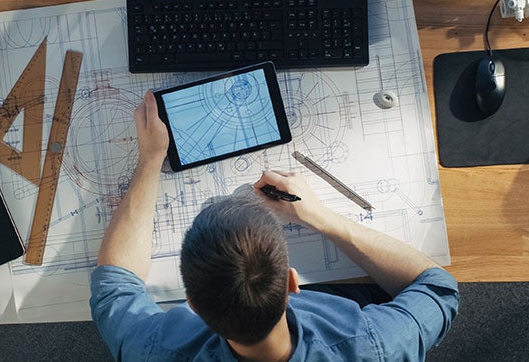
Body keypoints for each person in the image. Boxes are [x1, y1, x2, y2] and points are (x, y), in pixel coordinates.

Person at [91, 91, 459, 361]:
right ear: (292, 282)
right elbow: (438, 288)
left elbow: (114, 287)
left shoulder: (155, 352)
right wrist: (323, 218)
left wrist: (151, 158)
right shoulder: (371, 346)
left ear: (193, 305)